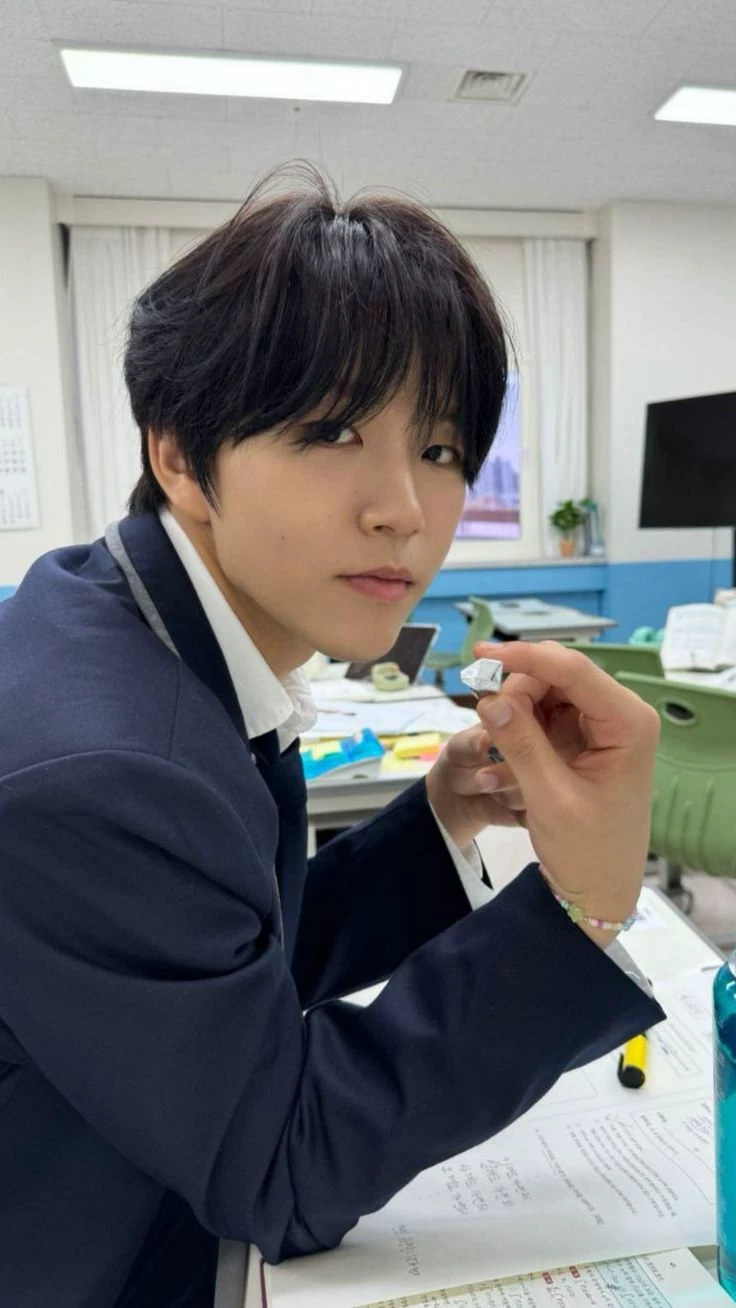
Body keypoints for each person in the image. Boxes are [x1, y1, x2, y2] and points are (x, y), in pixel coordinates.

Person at [0, 167, 663, 1308]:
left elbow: (219, 952)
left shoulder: (141, 619)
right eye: (331, 429)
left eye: (441, 448)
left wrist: (441, 816)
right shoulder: (103, 769)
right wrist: (581, 908)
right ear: (179, 454)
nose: (403, 507)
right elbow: (278, 1166)